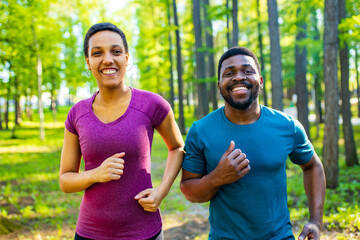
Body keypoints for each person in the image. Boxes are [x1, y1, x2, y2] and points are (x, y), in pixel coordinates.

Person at [180, 47, 326, 240]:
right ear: (219, 85)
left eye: (248, 71)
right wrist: (218, 177)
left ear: (261, 81)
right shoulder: (200, 130)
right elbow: (189, 191)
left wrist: (316, 221)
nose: (239, 77)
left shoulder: (287, 126)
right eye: (229, 73)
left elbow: (313, 166)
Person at [59, 22, 184, 240]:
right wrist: (95, 174)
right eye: (97, 53)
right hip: (90, 232)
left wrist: (162, 191)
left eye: (116, 51)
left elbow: (177, 147)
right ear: (88, 62)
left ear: (126, 58)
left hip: (144, 232)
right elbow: (65, 180)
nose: (107, 59)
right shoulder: (77, 113)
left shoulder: (153, 104)